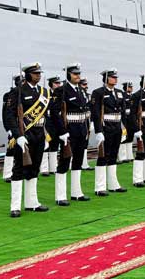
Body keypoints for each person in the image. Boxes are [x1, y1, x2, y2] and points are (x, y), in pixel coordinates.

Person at [4, 62, 51, 217]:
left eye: (39, 73)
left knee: (34, 168)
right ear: (28, 74)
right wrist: (18, 136)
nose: (39, 75)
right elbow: (10, 115)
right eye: (35, 73)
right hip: (25, 134)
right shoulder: (17, 92)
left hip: (39, 133)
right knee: (19, 170)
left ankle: (32, 203)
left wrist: (46, 135)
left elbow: (45, 116)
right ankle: (15, 206)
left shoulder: (44, 92)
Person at [50, 63, 91, 205]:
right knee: (64, 162)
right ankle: (60, 196)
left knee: (78, 161)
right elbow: (55, 113)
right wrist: (62, 131)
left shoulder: (81, 90)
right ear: (68, 75)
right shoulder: (61, 91)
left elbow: (85, 110)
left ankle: (76, 192)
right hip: (68, 131)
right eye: (75, 74)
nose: (77, 76)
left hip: (81, 129)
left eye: (78, 74)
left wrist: (87, 127)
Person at [89, 69, 127, 196]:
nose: (115, 79)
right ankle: (99, 187)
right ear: (106, 79)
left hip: (116, 127)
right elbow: (95, 113)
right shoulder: (98, 93)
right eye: (112, 77)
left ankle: (113, 184)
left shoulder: (119, 93)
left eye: (116, 77)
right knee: (103, 156)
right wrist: (99, 131)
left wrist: (125, 128)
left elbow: (123, 112)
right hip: (106, 127)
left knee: (113, 155)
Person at [2, 73, 22, 183]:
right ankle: (7, 174)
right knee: (11, 150)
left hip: (25, 126)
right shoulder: (9, 95)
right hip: (13, 126)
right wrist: (8, 128)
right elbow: (5, 113)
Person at [43, 74, 63, 179]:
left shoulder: (61, 94)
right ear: (51, 84)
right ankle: (44, 168)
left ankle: (53, 167)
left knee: (55, 144)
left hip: (57, 122)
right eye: (56, 83)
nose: (58, 85)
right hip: (47, 121)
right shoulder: (45, 93)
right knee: (46, 145)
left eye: (59, 83)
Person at [79, 77, 94, 171]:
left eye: (86, 84)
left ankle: (84, 163)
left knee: (85, 143)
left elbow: (92, 109)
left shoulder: (89, 96)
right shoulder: (79, 95)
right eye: (84, 84)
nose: (86, 86)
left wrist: (92, 121)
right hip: (79, 121)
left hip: (87, 121)